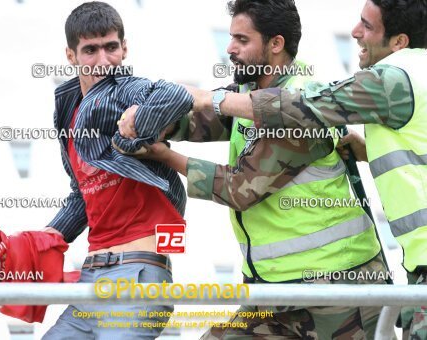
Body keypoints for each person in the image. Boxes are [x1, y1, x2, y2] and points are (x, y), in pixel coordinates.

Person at [117, 0, 390, 338]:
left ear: (275, 45)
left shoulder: (299, 105)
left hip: (338, 291)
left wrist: (162, 155)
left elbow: (239, 188)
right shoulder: (248, 91)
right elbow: (199, 121)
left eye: (242, 41)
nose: (230, 49)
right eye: (231, 38)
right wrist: (146, 123)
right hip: (275, 290)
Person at [186, 0, 426, 338]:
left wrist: (202, 104)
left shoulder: (391, 80)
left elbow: (302, 111)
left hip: (340, 288)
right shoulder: (414, 79)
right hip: (280, 287)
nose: (355, 33)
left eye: (367, 27)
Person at [39, 2, 194, 339]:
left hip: (139, 275)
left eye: (111, 47)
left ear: (124, 49)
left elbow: (175, 95)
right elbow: (84, 195)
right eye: (90, 50)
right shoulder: (68, 112)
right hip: (90, 280)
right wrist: (39, 242)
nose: (103, 61)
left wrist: (137, 120)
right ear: (71, 55)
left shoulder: (127, 89)